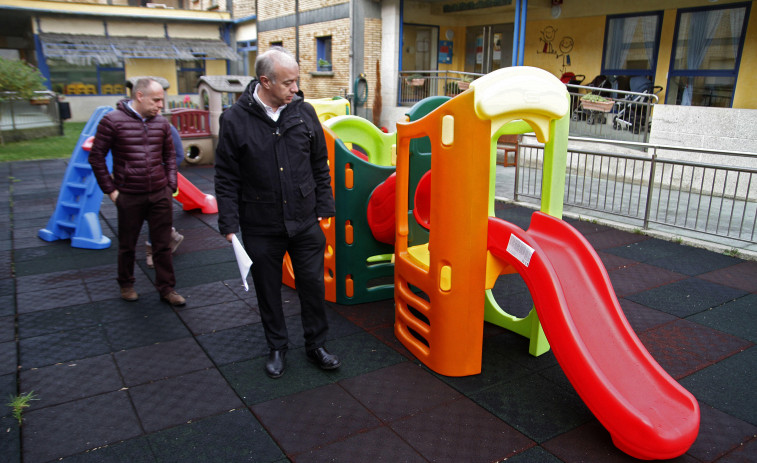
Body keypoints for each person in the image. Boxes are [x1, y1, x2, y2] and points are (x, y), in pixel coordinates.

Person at [214, 47, 340, 378]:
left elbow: (318, 163)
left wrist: (325, 206)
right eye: (288, 83)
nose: (295, 88)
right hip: (260, 223)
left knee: (312, 286)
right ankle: (277, 347)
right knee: (268, 289)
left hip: (304, 218)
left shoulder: (303, 112)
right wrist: (228, 223)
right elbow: (226, 176)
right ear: (265, 81)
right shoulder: (234, 120)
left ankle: (316, 345)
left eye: (296, 81)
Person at [89, 77, 186, 306]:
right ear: (139, 96)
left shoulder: (161, 123)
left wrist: (170, 185)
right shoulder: (112, 121)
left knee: (162, 245)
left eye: (162, 100)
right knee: (127, 244)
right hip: (129, 194)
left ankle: (167, 289)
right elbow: (96, 157)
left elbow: (170, 156)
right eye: (156, 100)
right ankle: (126, 283)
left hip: (159, 193)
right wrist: (111, 191)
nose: (161, 105)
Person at [145, 125, 185, 269]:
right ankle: (170, 234)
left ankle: (152, 250)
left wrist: (161, 172)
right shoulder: (129, 128)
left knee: (154, 215)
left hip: (160, 182)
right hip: (138, 181)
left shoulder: (165, 127)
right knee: (142, 215)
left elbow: (179, 155)